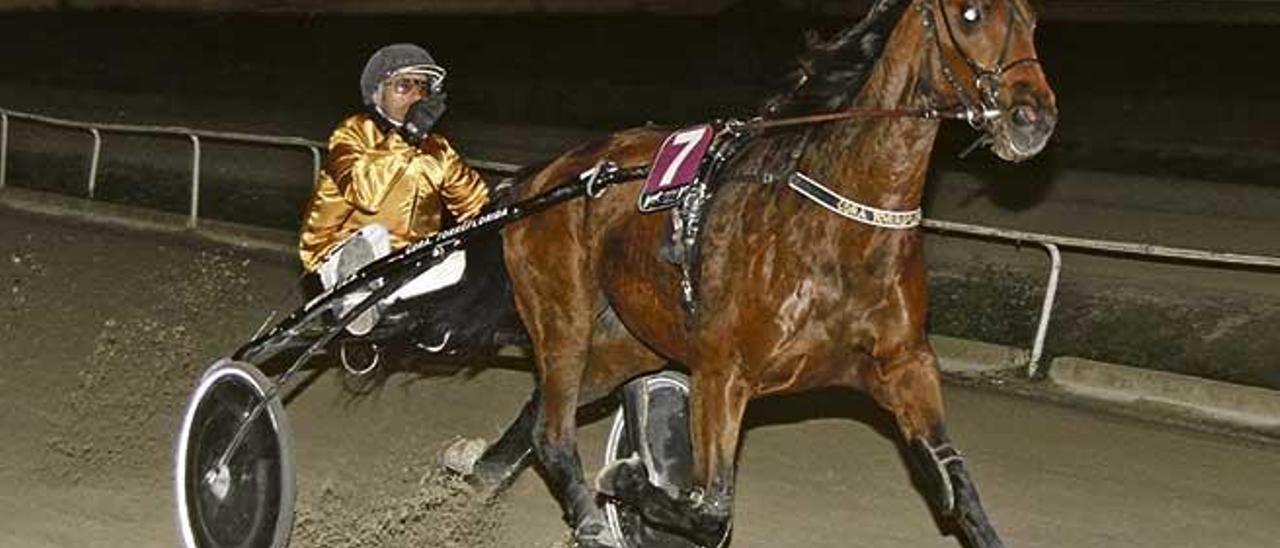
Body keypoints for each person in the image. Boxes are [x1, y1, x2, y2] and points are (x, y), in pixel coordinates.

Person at [298, 43, 490, 294]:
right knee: (374, 236)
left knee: (473, 262)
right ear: (378, 92)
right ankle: (359, 295)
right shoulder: (353, 132)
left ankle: (385, 296)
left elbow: (475, 205)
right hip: (338, 253)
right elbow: (364, 193)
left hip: (409, 261)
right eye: (403, 86)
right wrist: (408, 136)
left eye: (423, 87)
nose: (416, 96)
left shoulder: (438, 148)